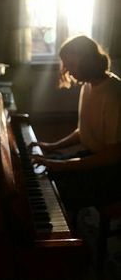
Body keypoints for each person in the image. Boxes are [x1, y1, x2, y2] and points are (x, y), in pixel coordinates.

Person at [29, 34, 121, 212]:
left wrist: (64, 165)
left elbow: (113, 155)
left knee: (56, 185)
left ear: (87, 62)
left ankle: (65, 235)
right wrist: (52, 146)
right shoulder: (88, 86)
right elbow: (84, 131)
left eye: (71, 65)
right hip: (95, 157)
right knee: (45, 167)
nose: (68, 71)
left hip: (113, 171)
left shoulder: (113, 94)